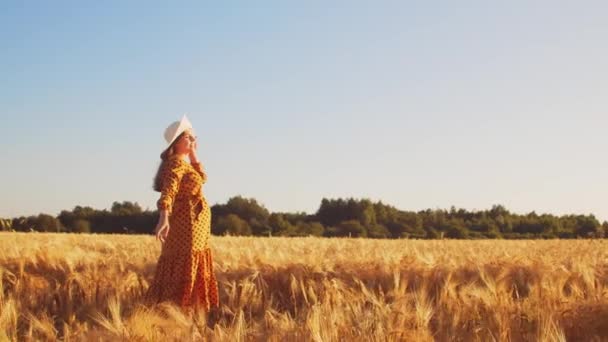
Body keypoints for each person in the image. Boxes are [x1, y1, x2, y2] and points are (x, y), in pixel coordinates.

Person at [145, 115, 219, 312]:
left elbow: (202, 178)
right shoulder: (176, 163)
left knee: (191, 262)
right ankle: (178, 310)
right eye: (188, 137)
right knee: (185, 263)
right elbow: (168, 190)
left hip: (196, 225)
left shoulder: (184, 163)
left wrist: (194, 155)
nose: (192, 139)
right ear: (177, 143)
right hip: (187, 225)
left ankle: (188, 310)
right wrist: (163, 217)